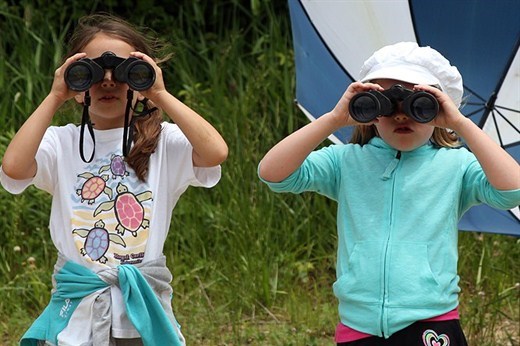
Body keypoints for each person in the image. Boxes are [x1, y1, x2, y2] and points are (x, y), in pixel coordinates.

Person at [258, 41, 520, 345]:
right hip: (358, 323)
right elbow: (273, 174)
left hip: (431, 321)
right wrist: (333, 119)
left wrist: (459, 124)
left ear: (439, 108)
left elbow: (513, 190)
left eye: (418, 104)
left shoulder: (455, 166)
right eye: (383, 103)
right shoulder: (346, 160)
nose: (400, 114)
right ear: (367, 108)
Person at [0, 13, 228, 346]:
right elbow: (14, 167)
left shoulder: (162, 142)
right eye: (91, 72)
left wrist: (159, 94)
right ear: (76, 87)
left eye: (124, 72)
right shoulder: (59, 142)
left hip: (143, 313)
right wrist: (54, 96)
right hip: (77, 315)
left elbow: (215, 152)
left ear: (140, 82)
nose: (108, 80)